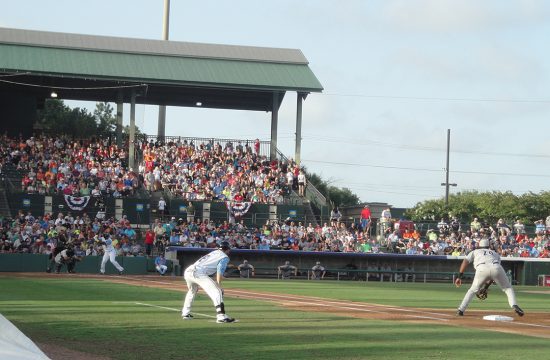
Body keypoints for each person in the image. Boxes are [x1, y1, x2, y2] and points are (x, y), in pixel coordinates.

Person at [454, 238, 524, 317]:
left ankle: (461, 310)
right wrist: (486, 286)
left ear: (479, 245)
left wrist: (459, 276)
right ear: (488, 246)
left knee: (472, 290)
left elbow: (465, 261)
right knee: (508, 288)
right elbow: (493, 273)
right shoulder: (494, 253)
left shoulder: (475, 251)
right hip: (497, 267)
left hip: (481, 268)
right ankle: (514, 305)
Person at [181, 241, 236, 323]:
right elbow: (219, 270)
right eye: (229, 249)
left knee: (192, 291)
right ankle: (221, 316)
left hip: (189, 271)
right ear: (227, 249)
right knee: (217, 291)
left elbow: (211, 264)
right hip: (198, 273)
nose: (229, 251)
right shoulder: (225, 257)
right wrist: (219, 285)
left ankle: (185, 313)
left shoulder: (215, 252)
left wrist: (227, 266)